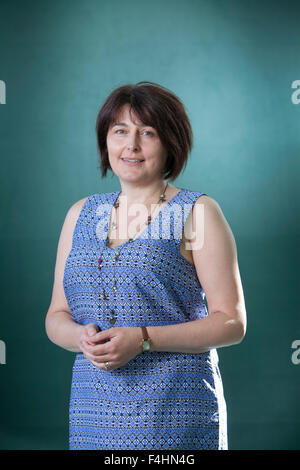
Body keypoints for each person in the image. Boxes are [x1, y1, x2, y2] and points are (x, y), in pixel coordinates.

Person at [45, 81, 247, 450]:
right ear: (105, 140)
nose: (131, 145)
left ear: (171, 142)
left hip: (177, 411)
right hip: (93, 414)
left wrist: (143, 339)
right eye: (120, 130)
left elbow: (231, 323)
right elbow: (57, 315)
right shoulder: (80, 214)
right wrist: (80, 338)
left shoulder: (197, 212)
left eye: (147, 132)